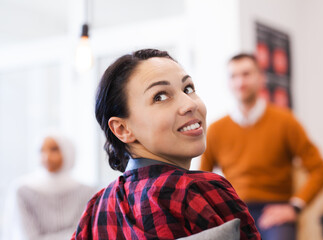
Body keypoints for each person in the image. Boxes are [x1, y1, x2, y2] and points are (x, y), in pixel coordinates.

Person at [72, 49, 261, 239]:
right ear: (122, 129)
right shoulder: (199, 192)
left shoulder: (96, 209)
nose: (190, 104)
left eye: (188, 89)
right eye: (160, 96)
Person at [200, 53, 323, 240]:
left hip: (275, 211)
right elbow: (203, 180)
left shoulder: (286, 122)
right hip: (234, 210)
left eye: (246, 74)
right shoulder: (216, 129)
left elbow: (320, 170)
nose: (240, 81)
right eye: (233, 76)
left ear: (261, 78)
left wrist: (294, 207)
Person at [2, 132, 95, 240]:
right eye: (41, 150)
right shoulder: (23, 190)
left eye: (54, 149)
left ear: (68, 151)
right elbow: (26, 236)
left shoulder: (87, 191)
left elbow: (84, 233)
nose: (46, 156)